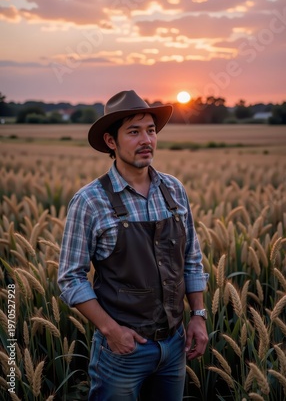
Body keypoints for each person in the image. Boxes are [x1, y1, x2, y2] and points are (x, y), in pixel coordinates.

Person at [58, 90, 209, 401]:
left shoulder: (174, 190)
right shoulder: (89, 201)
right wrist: (111, 331)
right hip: (122, 352)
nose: (147, 140)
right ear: (111, 142)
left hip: (174, 345)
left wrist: (198, 315)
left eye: (151, 131)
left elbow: (192, 258)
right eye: (134, 132)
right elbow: (70, 278)